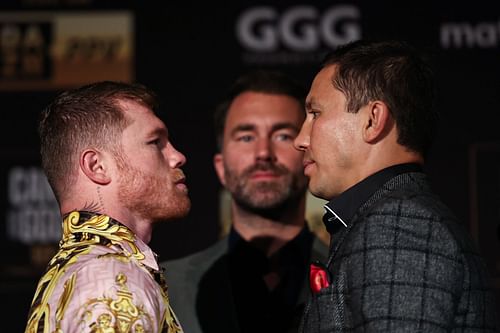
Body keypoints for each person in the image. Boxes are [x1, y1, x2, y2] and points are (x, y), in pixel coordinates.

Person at [294, 39, 499, 332]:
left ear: (373, 120)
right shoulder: (393, 217)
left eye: (315, 114)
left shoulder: (397, 223)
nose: (299, 139)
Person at [161, 70, 329, 333]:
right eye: (246, 137)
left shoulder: (351, 275)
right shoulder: (165, 287)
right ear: (220, 167)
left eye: (283, 135)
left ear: (309, 157)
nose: (263, 153)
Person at [24, 81, 190, 333]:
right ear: (97, 166)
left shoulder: (83, 269)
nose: (177, 156)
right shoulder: (112, 280)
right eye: (155, 142)